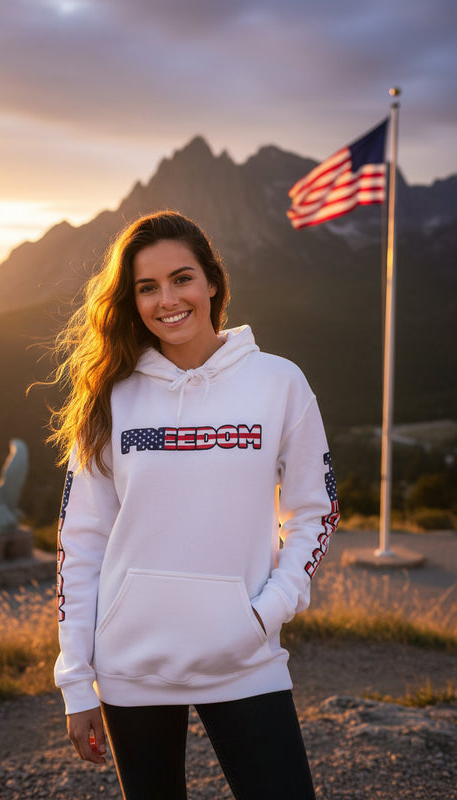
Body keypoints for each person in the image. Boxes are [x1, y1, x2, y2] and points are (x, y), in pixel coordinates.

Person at [51, 210, 339, 800]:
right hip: (132, 665)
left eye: (182, 278)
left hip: (245, 654)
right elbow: (80, 546)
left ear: (212, 281)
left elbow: (316, 511)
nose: (167, 300)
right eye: (147, 288)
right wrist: (76, 680)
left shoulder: (279, 382)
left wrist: (270, 607)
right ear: (132, 302)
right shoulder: (111, 399)